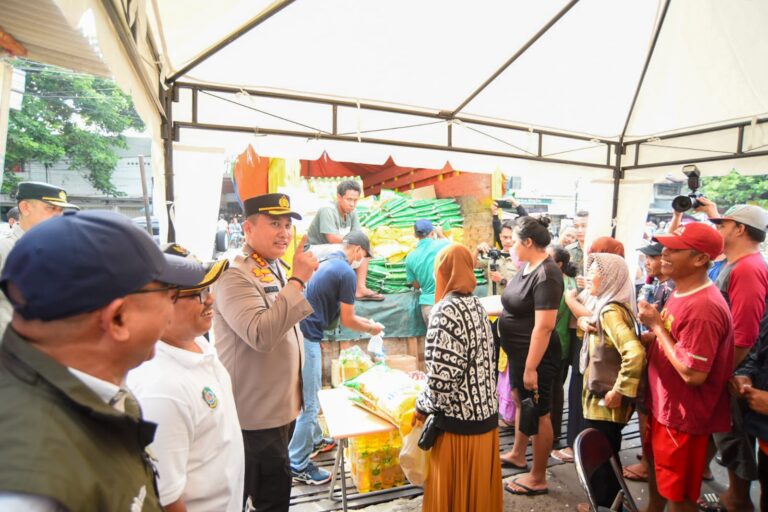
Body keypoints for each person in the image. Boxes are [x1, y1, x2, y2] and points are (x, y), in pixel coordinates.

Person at [0, 210, 204, 511]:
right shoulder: (30, 484)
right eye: (169, 294)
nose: (172, 308)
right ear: (118, 318)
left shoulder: (96, 388)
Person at [213, 193, 318, 512]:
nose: (284, 232)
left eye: (287, 225)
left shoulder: (271, 266)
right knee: (269, 499)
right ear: (248, 227)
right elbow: (260, 334)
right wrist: (298, 280)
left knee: (271, 492)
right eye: (274, 224)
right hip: (254, 416)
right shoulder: (234, 273)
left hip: (278, 408)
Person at [128, 245, 244, 512]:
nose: (211, 300)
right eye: (199, 293)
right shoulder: (160, 389)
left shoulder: (197, 344)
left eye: (210, 289)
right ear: (162, 303)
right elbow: (166, 499)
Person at [638, 222, 734, 512]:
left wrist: (656, 326)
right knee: (659, 477)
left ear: (700, 259)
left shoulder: (703, 307)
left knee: (680, 496)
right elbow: (676, 340)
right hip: (665, 408)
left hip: (683, 415)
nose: (664, 253)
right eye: (665, 247)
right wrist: (652, 337)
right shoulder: (681, 291)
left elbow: (694, 373)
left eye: (674, 249)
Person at [288, 230, 384, 485]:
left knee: (311, 393)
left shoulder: (330, 260)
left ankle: (316, 439)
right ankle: (296, 463)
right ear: (357, 251)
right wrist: (372, 328)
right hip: (307, 333)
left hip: (301, 330)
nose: (362, 261)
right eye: (363, 256)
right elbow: (348, 319)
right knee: (311, 404)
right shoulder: (346, 273)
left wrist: (368, 324)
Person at [414, 243, 502, 512]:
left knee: (454, 499)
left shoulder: (445, 311)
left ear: (441, 272)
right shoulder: (476, 305)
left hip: (458, 430)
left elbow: (441, 384)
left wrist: (421, 405)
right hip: (486, 423)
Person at [702, 202, 768, 512]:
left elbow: (745, 334)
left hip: (736, 368)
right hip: (732, 365)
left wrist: (723, 373)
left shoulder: (748, 268)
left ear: (740, 229)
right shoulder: (736, 263)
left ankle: (738, 500)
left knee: (732, 434)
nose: (718, 230)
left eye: (722, 225)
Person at [498, 216, 564, 496]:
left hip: (537, 357)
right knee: (521, 401)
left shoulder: (547, 274)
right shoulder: (528, 267)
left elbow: (545, 326)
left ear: (527, 242)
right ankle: (517, 453)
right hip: (519, 353)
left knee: (539, 412)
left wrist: (531, 367)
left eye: (513, 240)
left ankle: (538, 476)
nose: (510, 245)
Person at [576, 253, 645, 511]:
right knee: (605, 454)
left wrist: (620, 390)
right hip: (603, 398)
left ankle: (605, 506)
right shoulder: (613, 304)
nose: (590, 276)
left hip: (605, 400)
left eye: (596, 271)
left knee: (602, 459)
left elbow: (634, 353)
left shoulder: (610, 312)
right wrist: (585, 320)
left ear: (609, 278)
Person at [622, 242, 675, 483]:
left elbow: (666, 327)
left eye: (651, 258)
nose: (648, 263)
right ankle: (648, 456)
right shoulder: (656, 285)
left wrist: (646, 337)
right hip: (654, 355)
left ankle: (648, 463)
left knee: (646, 410)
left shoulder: (671, 288)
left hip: (661, 357)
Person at [0, 182, 78, 332]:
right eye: (51, 208)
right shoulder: (4, 248)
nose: (58, 215)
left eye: (61, 210)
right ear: (25, 208)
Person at [306, 180, 382, 300]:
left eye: (355, 200)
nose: (352, 204)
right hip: (313, 250)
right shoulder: (328, 209)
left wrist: (362, 245)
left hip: (333, 249)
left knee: (364, 250)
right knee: (345, 250)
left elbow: (358, 236)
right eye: (349, 199)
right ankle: (339, 288)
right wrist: (354, 243)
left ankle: (360, 288)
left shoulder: (352, 212)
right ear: (339, 197)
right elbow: (331, 238)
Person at [547, 246, 578, 449]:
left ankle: (551, 433)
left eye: (549, 258)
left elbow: (551, 317)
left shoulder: (559, 284)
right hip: (565, 343)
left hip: (555, 342)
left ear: (559, 264)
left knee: (552, 390)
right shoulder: (570, 281)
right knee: (556, 388)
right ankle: (554, 432)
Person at [405, 219, 451, 325]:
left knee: (434, 340)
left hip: (428, 306)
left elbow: (416, 284)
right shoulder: (442, 244)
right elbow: (454, 249)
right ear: (432, 233)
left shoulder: (410, 257)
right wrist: (441, 235)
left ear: (415, 235)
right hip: (446, 302)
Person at [476, 219, 521, 296]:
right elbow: (472, 265)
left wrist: (502, 280)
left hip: (512, 305)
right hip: (493, 305)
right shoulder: (493, 255)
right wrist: (477, 250)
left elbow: (524, 287)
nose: (508, 241)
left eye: (511, 238)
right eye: (505, 237)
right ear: (500, 237)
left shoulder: (522, 260)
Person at [566, 210, 589, 277]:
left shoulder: (599, 250)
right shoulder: (568, 250)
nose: (579, 230)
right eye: (576, 226)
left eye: (584, 226)